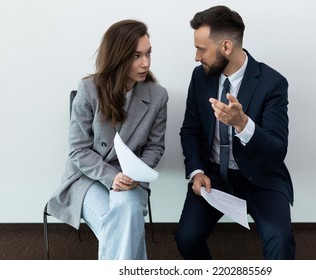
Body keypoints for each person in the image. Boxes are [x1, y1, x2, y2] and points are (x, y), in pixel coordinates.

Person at [175, 5, 295, 260]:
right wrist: (196, 172)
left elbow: (276, 152)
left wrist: (243, 125)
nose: (197, 56)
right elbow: (190, 131)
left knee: (280, 241)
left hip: (260, 178)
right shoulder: (200, 77)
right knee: (185, 238)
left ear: (226, 47)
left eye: (201, 49)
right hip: (214, 177)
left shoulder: (273, 83)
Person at [46, 19, 168, 260]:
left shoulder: (157, 96)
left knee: (123, 218)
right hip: (88, 177)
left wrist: (135, 174)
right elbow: (78, 150)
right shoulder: (89, 89)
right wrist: (112, 177)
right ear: (118, 57)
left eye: (148, 53)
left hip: (132, 180)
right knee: (125, 227)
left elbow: (155, 147)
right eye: (136, 56)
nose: (146, 63)